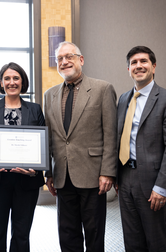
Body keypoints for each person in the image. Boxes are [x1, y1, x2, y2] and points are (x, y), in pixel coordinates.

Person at [44, 41, 117, 252]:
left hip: (93, 175)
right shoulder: (50, 95)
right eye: (60, 58)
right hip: (62, 177)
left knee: (94, 233)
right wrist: (49, 173)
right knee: (67, 233)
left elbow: (111, 134)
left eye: (69, 56)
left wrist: (108, 172)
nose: (64, 62)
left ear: (81, 60)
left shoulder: (103, 89)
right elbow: (49, 137)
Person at [116, 46, 166, 252]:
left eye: (143, 61)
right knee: (131, 239)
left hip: (152, 182)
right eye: (134, 63)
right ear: (128, 69)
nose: (139, 66)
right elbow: (119, 138)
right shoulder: (123, 100)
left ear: (153, 67)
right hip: (125, 177)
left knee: (154, 240)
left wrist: (162, 187)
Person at [0, 62, 45, 252]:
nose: (11, 82)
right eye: (7, 78)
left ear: (23, 82)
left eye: (16, 78)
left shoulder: (35, 109)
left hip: (27, 180)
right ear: (1, 82)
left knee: (22, 234)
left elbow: (42, 145)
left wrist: (36, 167)